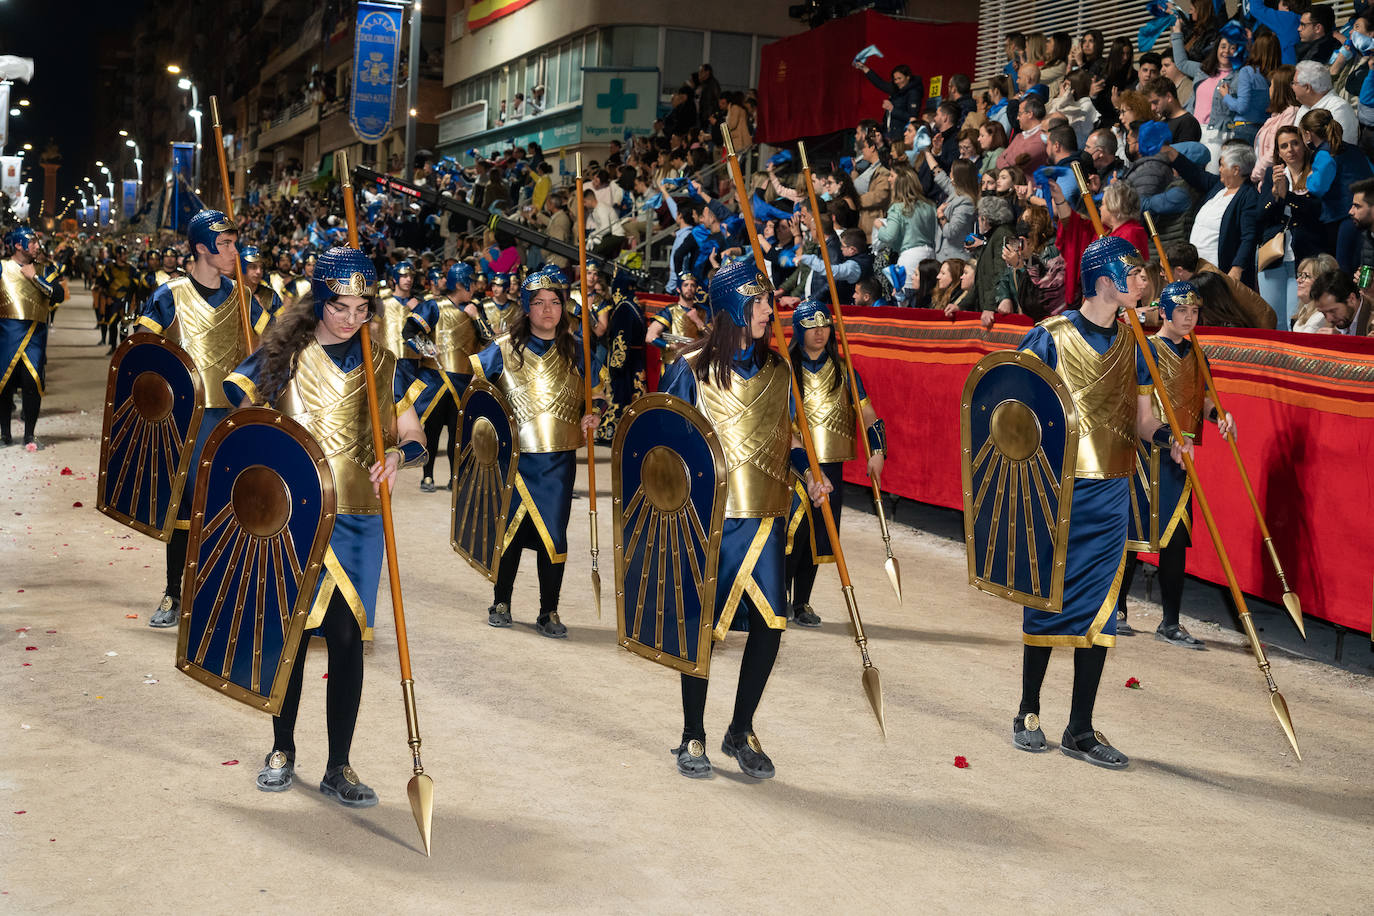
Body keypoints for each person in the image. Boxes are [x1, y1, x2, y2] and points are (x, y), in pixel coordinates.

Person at [223, 245, 427, 807]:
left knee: (346, 640)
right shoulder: (281, 356)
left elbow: (415, 438)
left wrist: (401, 457)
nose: (353, 318)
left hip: (359, 519)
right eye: (342, 306)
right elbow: (240, 418)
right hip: (297, 516)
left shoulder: (384, 364)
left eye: (364, 308)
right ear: (318, 301)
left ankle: (339, 765)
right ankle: (281, 750)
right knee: (290, 633)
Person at [1013, 236, 1190, 768]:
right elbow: (1013, 411)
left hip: (1112, 492)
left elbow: (1140, 420)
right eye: (1133, 272)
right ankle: (1028, 710)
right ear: (1104, 281)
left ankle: (1081, 729)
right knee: (1047, 600)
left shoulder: (1134, 344)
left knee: (1103, 609)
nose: (1144, 281)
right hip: (1058, 492)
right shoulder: (1048, 337)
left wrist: (1166, 440)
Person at [659, 257, 832, 779]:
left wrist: (808, 473)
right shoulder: (688, 370)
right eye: (758, 301)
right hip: (710, 521)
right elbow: (664, 444)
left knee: (771, 625)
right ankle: (693, 733)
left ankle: (741, 728)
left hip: (765, 515)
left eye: (768, 300)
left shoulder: (780, 370)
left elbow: (790, 437)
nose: (768, 310)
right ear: (733, 305)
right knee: (702, 627)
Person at [470, 266, 601, 639]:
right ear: (526, 307)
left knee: (552, 537)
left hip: (558, 461)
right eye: (539, 303)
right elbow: (477, 396)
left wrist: (594, 415)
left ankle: (549, 610)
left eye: (554, 302)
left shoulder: (579, 351)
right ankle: (501, 601)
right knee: (509, 532)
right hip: (514, 459)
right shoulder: (502, 349)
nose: (547, 310)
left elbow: (598, 395)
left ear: (564, 307)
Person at [136, 209, 251, 628]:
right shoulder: (170, 295)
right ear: (202, 247)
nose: (233, 251)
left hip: (234, 418)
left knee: (231, 507)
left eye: (234, 243)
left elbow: (267, 354)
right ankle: (173, 592)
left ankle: (221, 596)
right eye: (226, 245)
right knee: (184, 509)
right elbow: (143, 351)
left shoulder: (244, 297)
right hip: (188, 420)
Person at [1116, 281, 1235, 645]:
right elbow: (1139, 412)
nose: (1189, 318)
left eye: (1194, 311)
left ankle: (1169, 621)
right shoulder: (1145, 351)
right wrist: (1170, 438)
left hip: (1180, 460)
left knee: (1175, 537)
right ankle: (1116, 609)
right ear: (1164, 312)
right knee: (1132, 534)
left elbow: (1204, 401)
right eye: (1181, 311)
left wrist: (1221, 416)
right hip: (1144, 453)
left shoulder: (1199, 354)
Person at [783, 299, 886, 629]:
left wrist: (878, 450)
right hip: (795, 465)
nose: (819, 332)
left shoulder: (845, 372)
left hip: (832, 466)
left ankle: (801, 602)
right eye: (812, 326)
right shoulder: (785, 371)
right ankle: (778, 596)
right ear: (799, 330)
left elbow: (867, 414)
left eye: (824, 325)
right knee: (791, 535)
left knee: (819, 536)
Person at [405, 261, 484, 492]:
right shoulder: (433, 306)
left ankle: (455, 476)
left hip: (463, 379)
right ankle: (427, 476)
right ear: (461, 284)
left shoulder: (475, 308)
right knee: (432, 428)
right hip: (435, 377)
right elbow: (408, 330)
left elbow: (487, 339)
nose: (475, 287)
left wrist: (477, 317)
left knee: (458, 432)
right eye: (471, 282)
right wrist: (425, 346)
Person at [0, 227, 63, 450]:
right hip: (6, 332)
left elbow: (59, 295)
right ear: (18, 245)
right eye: (33, 241)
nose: (38, 245)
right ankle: (5, 434)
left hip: (34, 334)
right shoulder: (2, 267)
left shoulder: (45, 269)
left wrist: (35, 277)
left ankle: (29, 435)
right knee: (4, 385)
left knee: (31, 383)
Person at [1257, 126, 1322, 327]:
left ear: (1304, 145)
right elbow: (1260, 215)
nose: (1290, 149)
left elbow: (1317, 212)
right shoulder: (1273, 174)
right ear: (1278, 152)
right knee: (1273, 320)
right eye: (1283, 146)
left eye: (1294, 143)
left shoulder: (1315, 172)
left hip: (1304, 257)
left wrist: (1288, 196)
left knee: (1296, 321)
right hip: (1273, 256)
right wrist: (1276, 195)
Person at [1299, 108, 1374, 271]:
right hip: (1366, 215)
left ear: (1308, 134)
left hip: (1344, 218)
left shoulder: (1325, 154)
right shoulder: (1353, 149)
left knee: (1345, 270)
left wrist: (1309, 176)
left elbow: (1317, 187)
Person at [645, 272, 707, 365]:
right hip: (674, 363)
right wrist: (671, 346)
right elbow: (650, 337)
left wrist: (698, 321)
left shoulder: (703, 312)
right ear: (678, 289)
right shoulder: (669, 311)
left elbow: (712, 338)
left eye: (692, 285)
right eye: (686, 285)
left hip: (696, 363)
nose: (689, 288)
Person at [855, 61, 923, 143]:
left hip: (901, 137)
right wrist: (864, 68)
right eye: (895, 79)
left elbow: (912, 118)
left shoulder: (913, 93)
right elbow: (879, 83)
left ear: (908, 77)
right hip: (889, 134)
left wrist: (892, 109)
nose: (897, 82)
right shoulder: (896, 89)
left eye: (899, 78)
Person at [1293, 59, 1358, 143]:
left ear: (1307, 87)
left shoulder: (1339, 109)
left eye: (1294, 83)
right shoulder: (1305, 107)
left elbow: (1338, 149)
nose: (1292, 87)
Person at [371, 260, 421, 361]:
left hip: (414, 358)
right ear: (395, 279)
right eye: (404, 276)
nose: (409, 279)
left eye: (411, 276)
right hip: (389, 358)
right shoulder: (382, 302)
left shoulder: (419, 303)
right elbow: (373, 329)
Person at [1309, 269, 1374, 334]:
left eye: (1333, 311)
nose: (1329, 319)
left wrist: (1341, 341)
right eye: (1323, 313)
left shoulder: (1371, 319)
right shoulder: (1335, 319)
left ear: (1352, 299)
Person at [239, 245, 284, 335]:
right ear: (242, 268)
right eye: (253, 267)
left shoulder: (271, 295)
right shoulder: (231, 293)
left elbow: (283, 325)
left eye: (261, 267)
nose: (259, 271)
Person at [1147, 76, 1202, 143]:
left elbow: (1185, 152)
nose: (1152, 108)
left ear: (1169, 97)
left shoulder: (1188, 123)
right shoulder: (1161, 123)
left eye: (1155, 102)